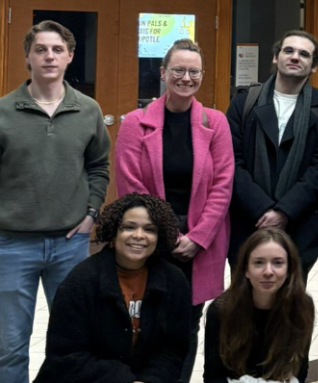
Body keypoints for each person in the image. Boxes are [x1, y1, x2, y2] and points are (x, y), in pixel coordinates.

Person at [115, 37, 235, 383]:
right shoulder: (135, 124)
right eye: (179, 70)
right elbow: (130, 187)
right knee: (145, 320)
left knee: (187, 323)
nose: (186, 77)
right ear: (164, 73)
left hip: (200, 242)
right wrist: (168, 234)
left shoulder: (216, 124)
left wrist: (196, 237)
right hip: (150, 237)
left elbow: (222, 185)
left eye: (194, 71)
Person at [0, 20, 110, 383]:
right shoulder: (3, 112)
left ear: (70, 57)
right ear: (28, 57)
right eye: (41, 49)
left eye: (57, 50)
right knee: (10, 345)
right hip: (12, 244)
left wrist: (92, 214)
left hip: (70, 242)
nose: (49, 56)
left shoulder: (89, 110)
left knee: (72, 339)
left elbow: (98, 166)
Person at [35, 193, 192, 383]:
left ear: (159, 236)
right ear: (113, 232)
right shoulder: (81, 281)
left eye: (149, 229)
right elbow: (66, 356)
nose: (139, 236)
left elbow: (174, 350)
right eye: (129, 227)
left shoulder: (174, 281)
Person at [227, 29, 318, 279]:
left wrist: (284, 212)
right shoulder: (243, 102)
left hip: (301, 225)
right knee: (244, 308)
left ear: (314, 66)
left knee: (291, 310)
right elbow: (231, 162)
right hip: (249, 223)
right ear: (276, 57)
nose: (295, 57)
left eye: (304, 54)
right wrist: (263, 209)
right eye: (289, 50)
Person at [204, 228, 315, 383]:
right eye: (258, 263)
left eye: (278, 263)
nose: (268, 271)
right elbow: (213, 376)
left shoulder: (302, 306)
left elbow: (300, 369)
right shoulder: (221, 309)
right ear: (246, 270)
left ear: (289, 269)